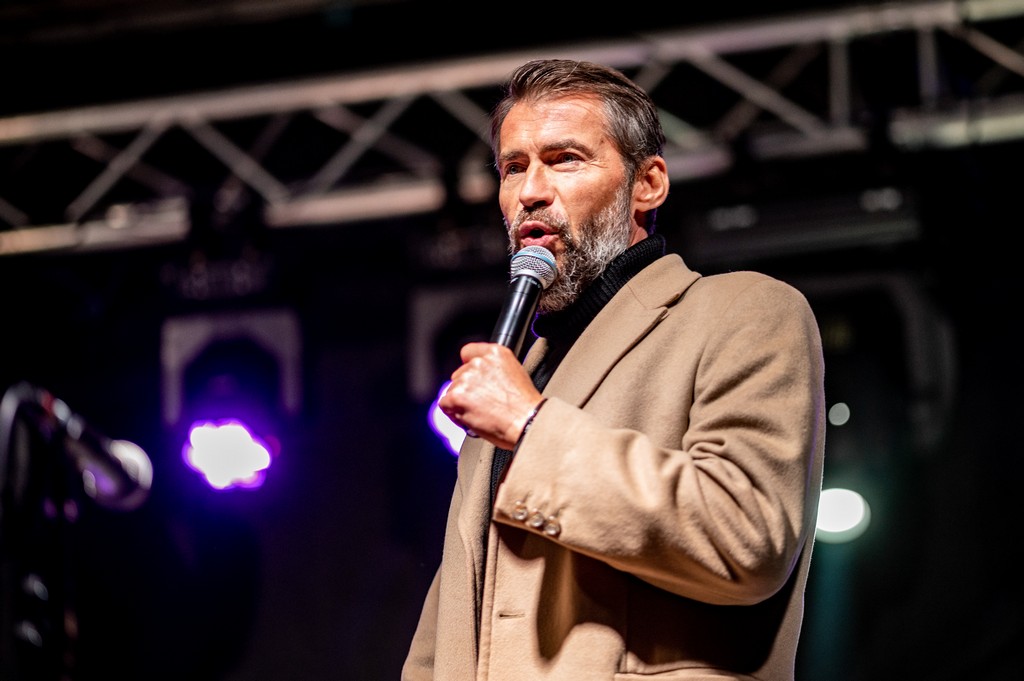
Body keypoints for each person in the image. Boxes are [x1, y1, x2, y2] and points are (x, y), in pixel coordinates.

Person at [403, 58, 826, 681]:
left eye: (565, 160)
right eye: (513, 167)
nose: (530, 191)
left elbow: (747, 536)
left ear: (647, 184)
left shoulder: (744, 310)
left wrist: (531, 426)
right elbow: (447, 633)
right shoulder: (521, 372)